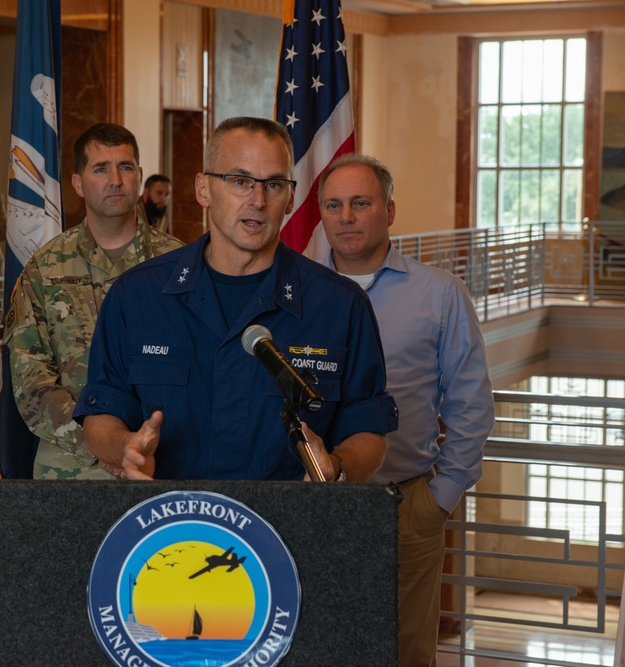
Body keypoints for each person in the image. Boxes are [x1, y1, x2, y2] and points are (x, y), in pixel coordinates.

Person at [74, 117, 398, 482]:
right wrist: (127, 448)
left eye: (273, 184)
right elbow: (101, 412)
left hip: (288, 529)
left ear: (291, 197)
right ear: (203, 189)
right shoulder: (137, 296)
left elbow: (368, 427)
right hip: (171, 528)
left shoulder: (340, 306)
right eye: (240, 181)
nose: (257, 201)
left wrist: (336, 468)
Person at [315, 154, 495, 667]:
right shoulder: (297, 294)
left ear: (389, 212)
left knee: (406, 652)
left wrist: (443, 495)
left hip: (405, 505)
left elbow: (471, 404)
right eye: (334, 205)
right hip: (314, 506)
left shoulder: (439, 295)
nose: (346, 216)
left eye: (361, 203)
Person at [3, 123, 182, 480]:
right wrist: (102, 445)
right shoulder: (44, 268)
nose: (115, 179)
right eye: (101, 168)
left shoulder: (179, 264)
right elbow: (31, 381)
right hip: (71, 466)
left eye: (125, 167)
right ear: (77, 183)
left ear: (139, 177)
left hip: (164, 461)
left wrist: (138, 446)